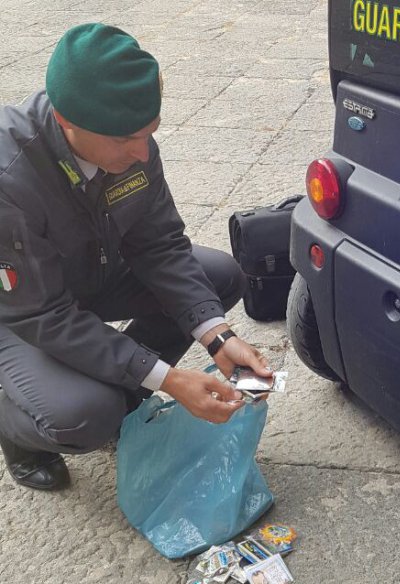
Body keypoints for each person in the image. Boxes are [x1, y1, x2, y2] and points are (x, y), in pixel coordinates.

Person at [0, 23, 271, 491]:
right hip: (20, 313)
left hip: (90, 275)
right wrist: (168, 379)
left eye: (151, 132)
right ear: (68, 122)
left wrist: (218, 336)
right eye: (126, 139)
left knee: (219, 278)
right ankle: (16, 427)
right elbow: (42, 313)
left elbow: (161, 244)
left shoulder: (130, 146)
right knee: (84, 415)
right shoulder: (9, 179)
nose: (143, 152)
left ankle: (122, 388)